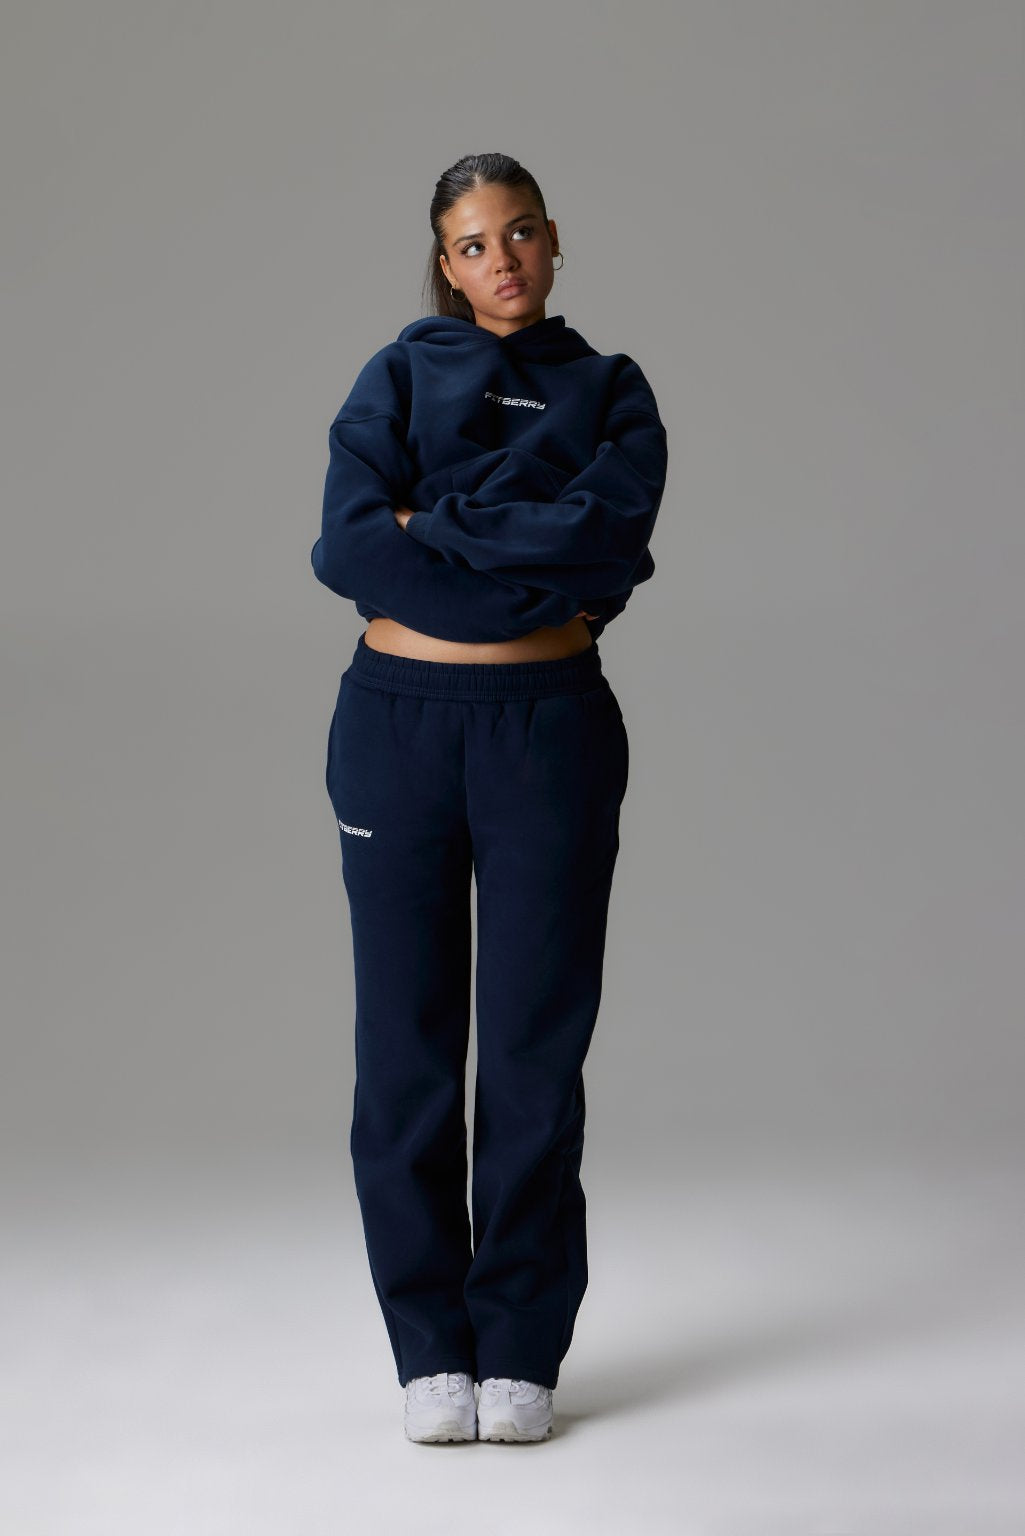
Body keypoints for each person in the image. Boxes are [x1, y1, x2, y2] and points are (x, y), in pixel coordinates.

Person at [311, 152, 669, 1443]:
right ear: (445, 263)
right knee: (403, 1051)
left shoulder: (611, 390)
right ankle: (429, 1353)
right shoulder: (397, 376)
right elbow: (348, 547)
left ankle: (518, 1344)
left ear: (553, 239)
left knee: (532, 1050)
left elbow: (608, 542)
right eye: (472, 243)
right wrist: (515, 534)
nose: (500, 259)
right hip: (396, 729)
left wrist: (439, 527)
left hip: (550, 729)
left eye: (518, 233)